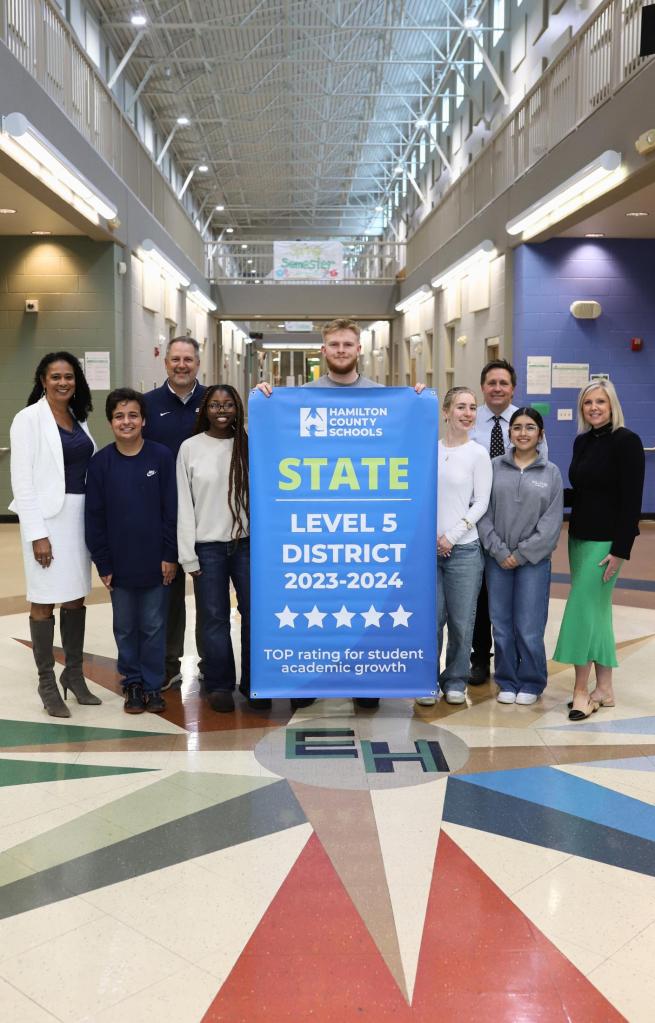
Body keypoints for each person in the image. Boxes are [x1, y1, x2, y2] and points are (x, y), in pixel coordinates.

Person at [258, 317, 425, 710]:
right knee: (316, 597)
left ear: (360, 349)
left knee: (363, 598)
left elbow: (403, 447)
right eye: (334, 345)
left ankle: (364, 681)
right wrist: (264, 399)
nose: (341, 351)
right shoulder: (298, 399)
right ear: (323, 350)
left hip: (366, 527)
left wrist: (418, 403)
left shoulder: (383, 399)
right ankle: (308, 678)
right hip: (315, 527)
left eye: (347, 344)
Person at [9, 351, 101, 717]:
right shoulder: (28, 419)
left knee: (76, 596)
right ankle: (47, 683)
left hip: (78, 518)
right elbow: (23, 480)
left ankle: (74, 676)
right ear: (43, 380)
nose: (63, 382)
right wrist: (37, 534)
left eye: (69, 376)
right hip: (47, 520)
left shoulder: (78, 417)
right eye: (55, 377)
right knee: (44, 598)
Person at [554, 380, 644, 721]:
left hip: (607, 544)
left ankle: (580, 691)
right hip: (579, 538)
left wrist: (621, 549)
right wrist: (543, 494)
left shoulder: (627, 442)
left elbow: (631, 500)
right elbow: (583, 492)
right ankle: (604, 688)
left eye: (600, 402)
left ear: (612, 405)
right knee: (598, 613)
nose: (593, 407)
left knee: (580, 611)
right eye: (588, 402)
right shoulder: (582, 442)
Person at [85, 389, 177, 714]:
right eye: (119, 416)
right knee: (124, 626)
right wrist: (103, 562)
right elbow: (94, 518)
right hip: (119, 566)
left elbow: (171, 510)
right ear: (111, 422)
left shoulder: (161, 457)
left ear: (144, 420)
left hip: (156, 562)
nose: (127, 421)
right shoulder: (100, 464)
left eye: (133, 415)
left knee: (153, 626)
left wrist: (170, 555)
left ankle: (153, 685)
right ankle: (133, 683)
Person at [176, 384, 264, 713]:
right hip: (207, 547)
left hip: (247, 544)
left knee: (254, 615)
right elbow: (184, 503)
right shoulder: (190, 448)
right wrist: (188, 554)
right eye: (214, 404)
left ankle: (256, 681)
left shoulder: (249, 446)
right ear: (205, 410)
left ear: (238, 409)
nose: (222, 410)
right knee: (213, 618)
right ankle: (219, 684)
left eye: (228, 404)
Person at [468, 358, 547, 686]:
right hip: (476, 524)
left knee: (519, 605)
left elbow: (544, 478)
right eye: (491, 383)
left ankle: (516, 663)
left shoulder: (525, 422)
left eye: (503, 383)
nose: (497, 388)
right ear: (483, 387)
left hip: (519, 526)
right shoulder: (470, 422)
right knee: (481, 598)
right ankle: (480, 659)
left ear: (513, 388)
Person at [478, 408, 563, 705]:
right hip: (497, 558)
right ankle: (506, 679)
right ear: (509, 433)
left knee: (528, 624)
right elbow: (483, 512)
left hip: (534, 562)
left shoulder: (550, 472)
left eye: (530, 428)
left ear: (540, 434)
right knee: (500, 623)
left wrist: (523, 554)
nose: (523, 433)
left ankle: (531, 680)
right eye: (517, 428)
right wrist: (500, 551)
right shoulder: (493, 467)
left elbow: (551, 524)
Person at [416, 387, 492, 707]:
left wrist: (452, 535)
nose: (467, 413)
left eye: (472, 407)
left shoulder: (478, 453)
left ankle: (456, 679)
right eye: (460, 406)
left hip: (464, 551)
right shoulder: (428, 451)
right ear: (445, 412)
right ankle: (426, 679)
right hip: (428, 552)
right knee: (430, 621)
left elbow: (481, 502)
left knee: (462, 621)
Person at [143, 337, 207, 690]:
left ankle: (213, 664)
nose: (182, 365)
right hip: (163, 516)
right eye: (175, 360)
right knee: (167, 595)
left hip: (207, 515)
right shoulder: (149, 405)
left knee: (210, 598)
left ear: (198, 363)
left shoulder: (214, 401)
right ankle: (169, 663)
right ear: (165, 363)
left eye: (188, 360)